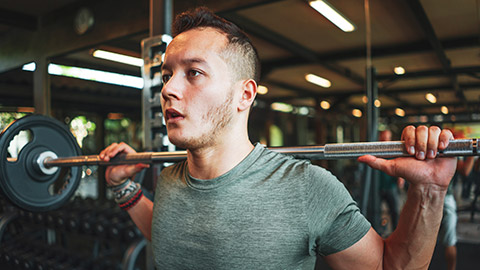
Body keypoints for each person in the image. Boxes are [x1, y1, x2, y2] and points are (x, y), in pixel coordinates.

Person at [99, 7, 457, 269]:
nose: (169, 89)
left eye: (193, 73)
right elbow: (168, 235)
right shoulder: (169, 181)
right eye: (166, 75)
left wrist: (429, 191)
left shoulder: (307, 188)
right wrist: (124, 190)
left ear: (245, 94)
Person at [377, 130, 404, 234]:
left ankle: (396, 232)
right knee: (375, 211)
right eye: (383, 138)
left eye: (387, 138)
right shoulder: (376, 151)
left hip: (390, 186)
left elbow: (399, 165)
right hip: (378, 187)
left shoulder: (393, 151)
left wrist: (400, 178)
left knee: (395, 211)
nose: (385, 140)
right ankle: (378, 232)